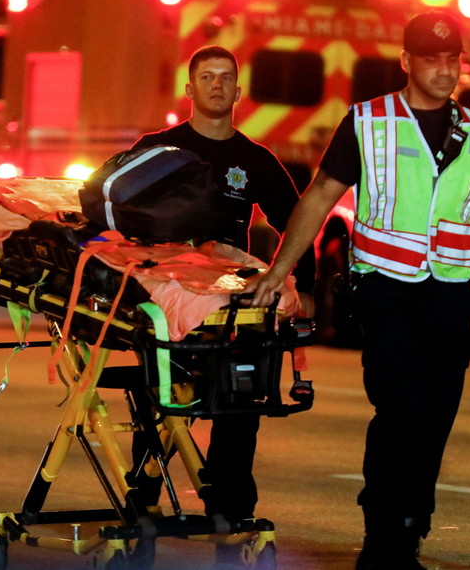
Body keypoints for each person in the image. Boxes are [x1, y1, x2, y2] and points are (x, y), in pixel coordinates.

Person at [247, 11, 470, 569]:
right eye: (432, 60)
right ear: (407, 62)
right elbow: (319, 196)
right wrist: (281, 269)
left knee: (437, 413)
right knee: (400, 408)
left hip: (449, 294)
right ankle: (384, 530)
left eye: (452, 60)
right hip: (386, 290)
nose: (444, 71)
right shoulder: (370, 123)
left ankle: (411, 527)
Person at [128, 44, 317, 567]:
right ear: (189, 90)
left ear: (238, 91)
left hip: (232, 304)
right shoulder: (158, 150)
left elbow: (298, 224)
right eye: (206, 77)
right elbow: (111, 204)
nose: (216, 85)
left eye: (226, 77)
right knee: (161, 407)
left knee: (238, 404)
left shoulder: (256, 162)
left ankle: (231, 510)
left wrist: (303, 282)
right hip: (168, 297)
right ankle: (141, 501)